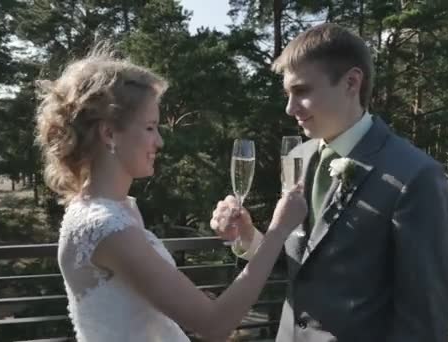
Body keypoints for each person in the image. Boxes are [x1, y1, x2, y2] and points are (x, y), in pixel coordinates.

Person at [35, 45, 307, 342]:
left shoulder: (119, 209)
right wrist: (279, 230)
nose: (160, 141)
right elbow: (214, 325)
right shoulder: (106, 227)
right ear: (110, 134)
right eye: (150, 127)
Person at [211, 23, 448, 341]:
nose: (289, 108)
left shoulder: (415, 175)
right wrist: (250, 238)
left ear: (352, 82)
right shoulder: (297, 157)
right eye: (288, 94)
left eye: (302, 91)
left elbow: (424, 318)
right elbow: (299, 263)